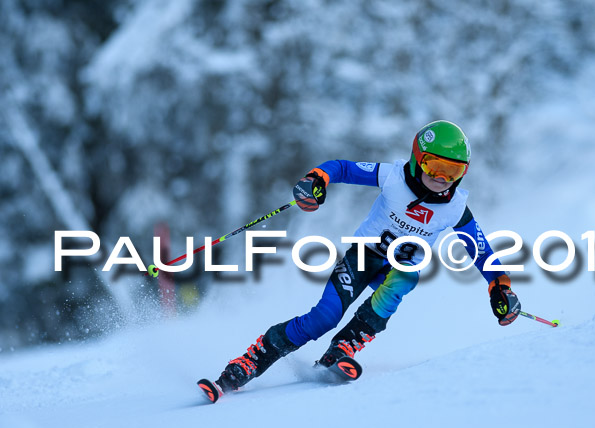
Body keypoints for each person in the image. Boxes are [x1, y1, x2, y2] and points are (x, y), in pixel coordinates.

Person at [209, 120, 521, 397]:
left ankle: (343, 346)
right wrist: (316, 180)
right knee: (324, 318)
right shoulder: (394, 177)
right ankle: (251, 360)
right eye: (435, 167)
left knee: (406, 277)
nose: (442, 178)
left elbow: (480, 250)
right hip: (363, 257)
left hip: (397, 269)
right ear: (417, 160)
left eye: (453, 171)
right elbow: (342, 168)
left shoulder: (454, 208)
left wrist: (499, 287)